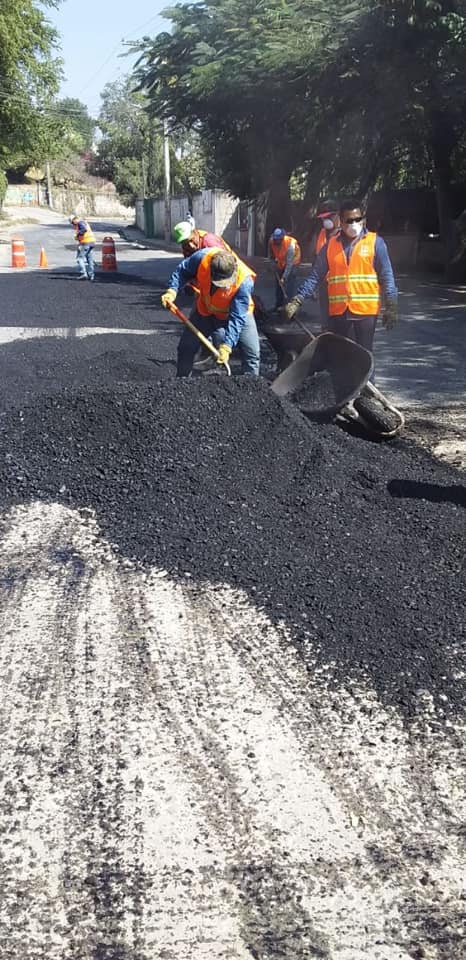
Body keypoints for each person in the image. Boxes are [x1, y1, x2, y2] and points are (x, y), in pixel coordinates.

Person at [284, 199, 398, 356]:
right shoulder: (330, 246)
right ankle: (342, 381)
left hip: (366, 312)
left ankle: (368, 381)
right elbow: (315, 276)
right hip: (339, 313)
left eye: (357, 219)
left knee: (364, 356)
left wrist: (391, 304)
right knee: (340, 356)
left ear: (363, 220)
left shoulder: (375, 243)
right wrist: (298, 299)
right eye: (349, 221)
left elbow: (387, 276)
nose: (354, 224)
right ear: (341, 222)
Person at [161, 248, 260, 377]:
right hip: (205, 310)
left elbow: (237, 317)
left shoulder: (244, 282)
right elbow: (182, 271)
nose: (223, 287)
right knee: (186, 346)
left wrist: (227, 346)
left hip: (238, 314)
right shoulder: (202, 259)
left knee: (251, 353)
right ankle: (182, 382)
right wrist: (172, 290)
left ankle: (252, 387)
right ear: (211, 273)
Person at [314, 199, 341, 330]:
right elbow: (319, 259)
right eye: (323, 218)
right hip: (324, 283)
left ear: (338, 216)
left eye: (329, 217)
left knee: (339, 318)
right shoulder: (322, 233)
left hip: (340, 284)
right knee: (325, 316)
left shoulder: (346, 234)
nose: (326, 221)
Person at [268, 228, 301, 308]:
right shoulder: (271, 241)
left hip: (293, 262)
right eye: (275, 239)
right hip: (281, 261)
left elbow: (289, 264)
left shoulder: (290, 246)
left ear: (282, 238)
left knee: (289, 282)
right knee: (279, 283)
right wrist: (273, 263)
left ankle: (288, 306)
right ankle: (278, 305)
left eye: (278, 240)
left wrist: (284, 277)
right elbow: (271, 254)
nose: (276, 241)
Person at [70, 215, 96, 281]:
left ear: (74, 220)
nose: (73, 225)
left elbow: (84, 230)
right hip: (91, 242)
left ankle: (84, 273)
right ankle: (91, 274)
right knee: (89, 259)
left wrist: (77, 234)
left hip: (86, 243)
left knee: (79, 258)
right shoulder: (84, 222)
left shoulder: (80, 223)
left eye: (73, 223)